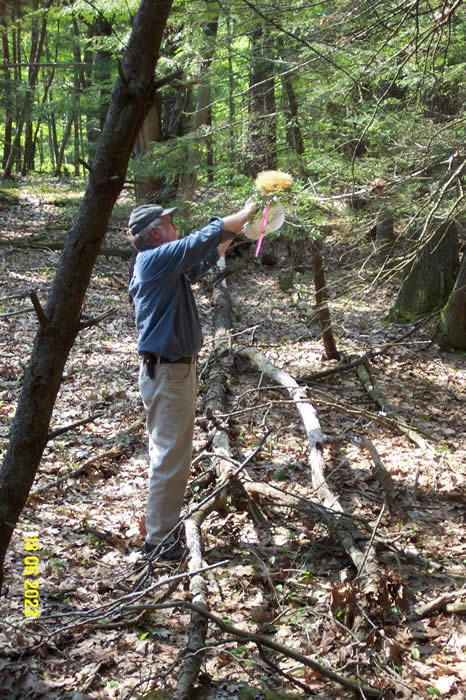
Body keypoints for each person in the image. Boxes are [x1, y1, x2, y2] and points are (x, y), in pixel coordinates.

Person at [128, 201, 256, 560]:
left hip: (172, 371)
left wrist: (238, 231)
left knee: (171, 455)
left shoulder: (166, 266)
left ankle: (162, 533)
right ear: (155, 232)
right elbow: (200, 241)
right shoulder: (155, 260)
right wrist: (245, 211)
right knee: (171, 457)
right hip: (168, 371)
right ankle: (159, 542)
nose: (176, 226)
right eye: (170, 222)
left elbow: (203, 257)